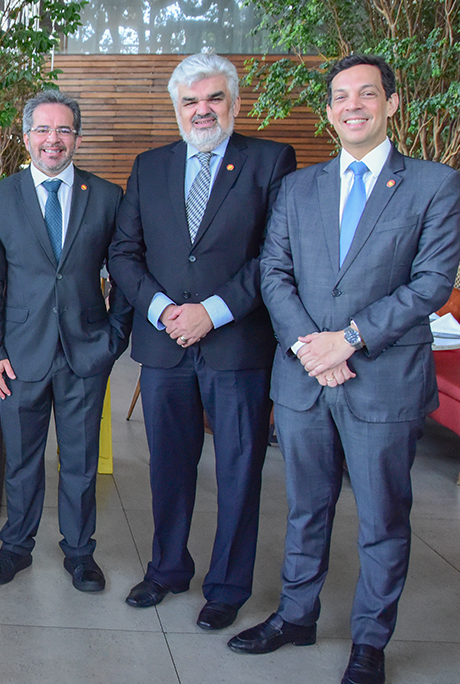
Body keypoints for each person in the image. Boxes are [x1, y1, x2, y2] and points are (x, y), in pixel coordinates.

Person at [233, 54, 460, 684]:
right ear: (329, 111)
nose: (352, 105)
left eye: (367, 94)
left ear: (393, 103)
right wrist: (312, 346)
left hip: (381, 381)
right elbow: (272, 273)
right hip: (306, 379)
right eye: (340, 96)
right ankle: (297, 616)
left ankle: (369, 641)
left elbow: (431, 284)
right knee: (305, 507)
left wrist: (349, 340)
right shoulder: (299, 188)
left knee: (382, 519)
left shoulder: (434, 185)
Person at [109, 52, 296, 630]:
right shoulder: (150, 165)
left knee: (239, 469)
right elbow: (124, 253)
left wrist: (210, 314)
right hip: (165, 345)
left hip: (236, 347)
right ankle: (167, 568)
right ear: (177, 109)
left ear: (234, 104)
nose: (202, 110)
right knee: (167, 465)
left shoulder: (269, 161)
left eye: (214, 98)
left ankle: (228, 585)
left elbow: (275, 255)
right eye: (190, 101)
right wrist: (167, 311)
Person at [0, 90, 131, 589]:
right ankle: (16, 547)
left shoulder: (106, 197)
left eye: (63, 130)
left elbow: (124, 273)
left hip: (86, 352)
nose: (53, 140)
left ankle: (80, 553)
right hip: (19, 357)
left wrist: (114, 339)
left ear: (77, 138)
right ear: (26, 137)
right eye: (43, 130)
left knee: (81, 464)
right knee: (21, 461)